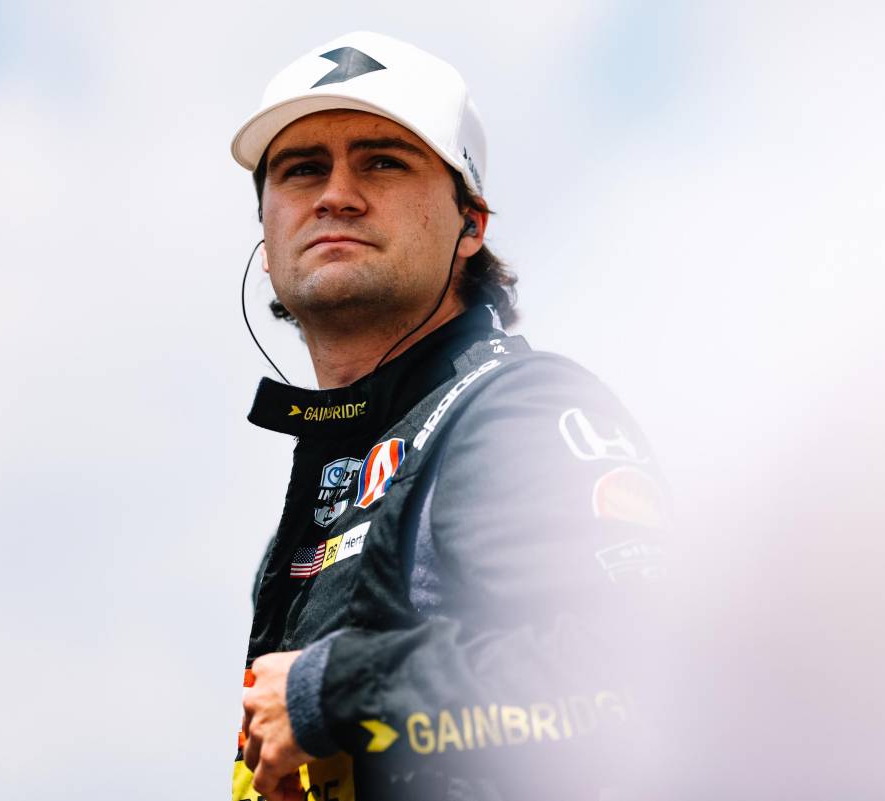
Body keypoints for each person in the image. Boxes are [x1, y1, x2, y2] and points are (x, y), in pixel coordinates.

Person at [229, 32, 668, 801]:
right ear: (266, 238)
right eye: (302, 169)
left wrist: (340, 691)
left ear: (471, 223)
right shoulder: (332, 482)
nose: (336, 194)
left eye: (382, 162)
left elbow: (649, 671)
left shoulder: (519, 413)